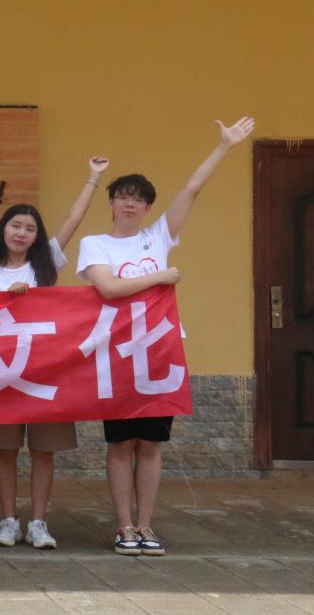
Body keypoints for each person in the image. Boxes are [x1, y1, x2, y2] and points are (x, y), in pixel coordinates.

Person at [78, 117, 253, 557]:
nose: (130, 204)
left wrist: (224, 146)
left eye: (139, 199)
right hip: (118, 356)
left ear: (148, 207)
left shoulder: (159, 236)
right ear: (111, 203)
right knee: (121, 444)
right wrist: (162, 276)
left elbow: (192, 189)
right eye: (123, 196)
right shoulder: (96, 244)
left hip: (161, 352)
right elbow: (108, 288)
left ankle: (146, 525)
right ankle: (124, 526)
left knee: (152, 443)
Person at [0, 156, 110, 550]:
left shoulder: (45, 264)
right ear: (3, 230)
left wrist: (93, 178)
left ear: (37, 237)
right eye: (16, 225)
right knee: (5, 450)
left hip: (47, 372)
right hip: (2, 374)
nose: (22, 233)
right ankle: (7, 522)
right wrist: (7, 300)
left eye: (30, 229)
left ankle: (38, 523)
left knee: (44, 451)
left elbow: (73, 220)